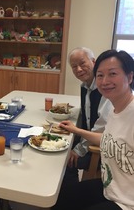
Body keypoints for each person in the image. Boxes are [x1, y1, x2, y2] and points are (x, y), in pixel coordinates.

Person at [52, 49, 134, 210]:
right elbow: (105, 138)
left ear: (130, 77)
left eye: (112, 74)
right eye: (100, 75)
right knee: (61, 198)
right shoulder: (114, 110)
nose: (104, 81)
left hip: (127, 202)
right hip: (109, 187)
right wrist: (75, 130)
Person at [64, 47, 112, 182]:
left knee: (63, 162)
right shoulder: (85, 86)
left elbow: (100, 128)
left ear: (93, 62)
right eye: (74, 67)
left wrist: (78, 150)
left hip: (100, 149)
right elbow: (87, 115)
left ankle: (72, 196)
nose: (79, 69)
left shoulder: (104, 89)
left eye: (82, 63)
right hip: (89, 139)